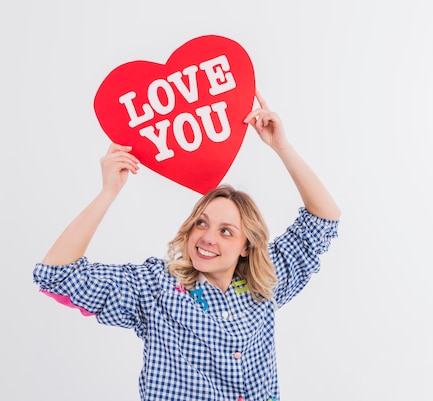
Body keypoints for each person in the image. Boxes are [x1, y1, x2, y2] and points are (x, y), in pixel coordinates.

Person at [32, 91, 341, 401]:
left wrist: (281, 147)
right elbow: (56, 274)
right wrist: (108, 192)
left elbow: (324, 220)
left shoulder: (265, 283)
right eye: (202, 223)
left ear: (246, 246)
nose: (208, 237)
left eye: (226, 231)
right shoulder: (156, 287)